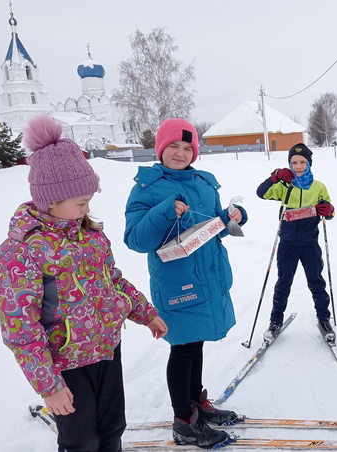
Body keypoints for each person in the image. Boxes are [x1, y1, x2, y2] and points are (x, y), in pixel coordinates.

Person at [0, 116, 168, 452]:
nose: (89, 207)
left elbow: (113, 282)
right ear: (51, 200)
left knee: (113, 427)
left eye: (89, 199)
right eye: (81, 202)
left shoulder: (90, 235)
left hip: (105, 350)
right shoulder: (24, 250)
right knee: (81, 441)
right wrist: (49, 386)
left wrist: (145, 313)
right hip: (65, 364)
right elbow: (19, 328)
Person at [124, 118, 247, 449]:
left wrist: (233, 216)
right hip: (177, 284)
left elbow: (210, 224)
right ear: (160, 149)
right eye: (173, 147)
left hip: (208, 277)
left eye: (187, 147)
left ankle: (196, 404)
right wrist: (166, 211)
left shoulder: (204, 183)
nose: (180, 153)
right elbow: (135, 238)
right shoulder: (147, 188)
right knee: (182, 348)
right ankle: (183, 423)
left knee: (196, 343)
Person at [256, 143, 336, 343]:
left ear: (309, 163)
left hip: (310, 244)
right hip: (288, 244)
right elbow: (261, 193)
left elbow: (330, 210)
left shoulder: (318, 186)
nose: (298, 166)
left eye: (302, 162)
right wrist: (274, 176)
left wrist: (328, 210)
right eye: (294, 162)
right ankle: (275, 321)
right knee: (283, 283)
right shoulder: (284, 185)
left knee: (316, 282)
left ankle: (324, 319)